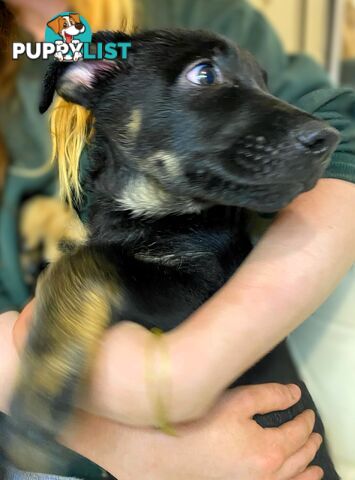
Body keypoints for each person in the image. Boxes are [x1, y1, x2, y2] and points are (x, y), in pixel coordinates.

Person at [0, 0, 354, 479]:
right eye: (205, 76)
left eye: (259, 88)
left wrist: (179, 375)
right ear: (90, 78)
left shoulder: (190, 9)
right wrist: (127, 448)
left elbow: (344, 134)